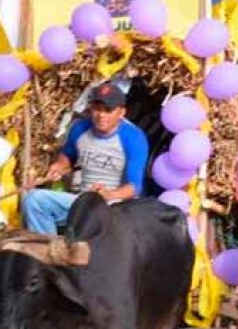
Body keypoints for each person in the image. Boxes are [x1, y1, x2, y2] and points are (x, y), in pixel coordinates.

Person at [23, 81, 150, 235]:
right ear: (90, 108)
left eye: (108, 110)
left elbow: (134, 187)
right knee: (34, 200)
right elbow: (67, 155)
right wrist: (59, 166)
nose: (101, 115)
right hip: (83, 202)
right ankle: (49, 251)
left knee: (100, 219)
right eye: (97, 108)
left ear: (122, 112)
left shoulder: (133, 138)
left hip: (115, 206)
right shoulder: (80, 128)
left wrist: (109, 194)